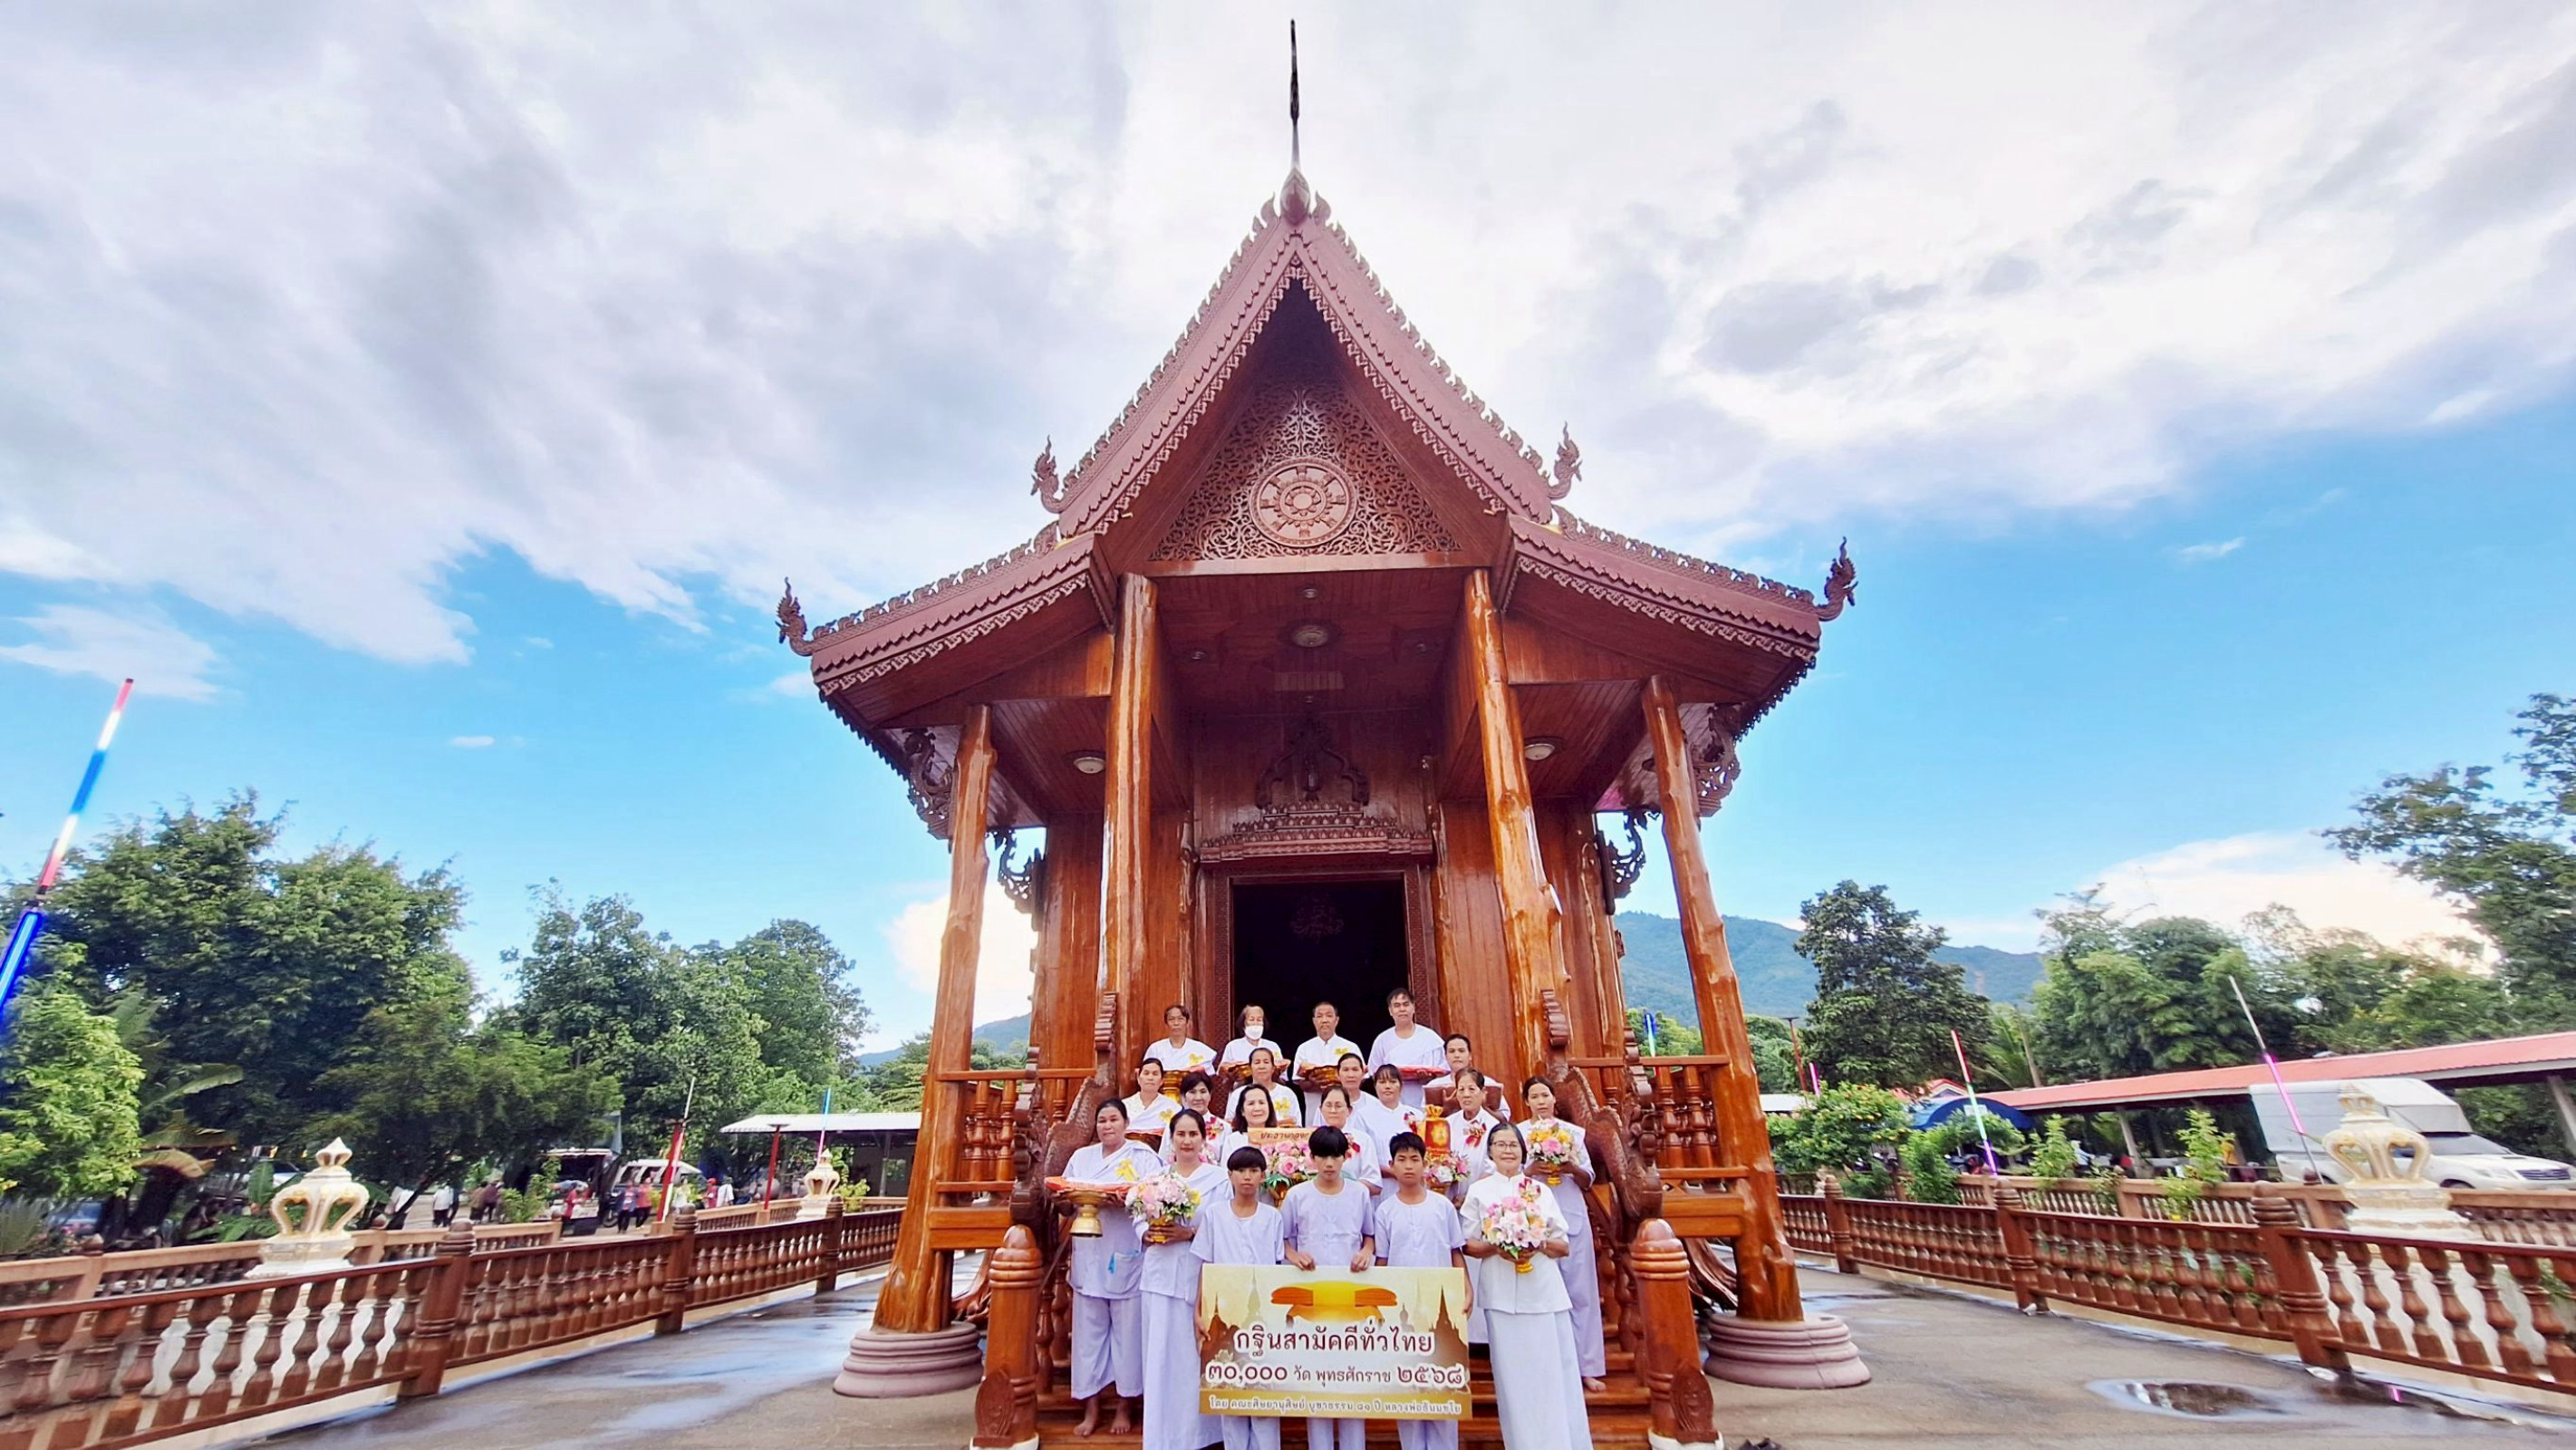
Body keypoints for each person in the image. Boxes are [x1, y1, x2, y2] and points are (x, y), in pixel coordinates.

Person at [1462, 1124, 1593, 1450]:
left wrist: (1537, 1242)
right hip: (1501, 1295)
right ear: (1490, 1151)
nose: (1507, 1150)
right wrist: (1497, 1245)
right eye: (1500, 1144)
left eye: (1513, 1145)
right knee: (1514, 1379)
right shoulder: (1479, 1191)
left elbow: (1563, 1245)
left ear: (1523, 1151)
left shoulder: (1540, 1191)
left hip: (1543, 1293)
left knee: (1552, 1374)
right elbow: (1468, 1244)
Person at [1066, 1099, 1162, 1436]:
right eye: (1102, 1120)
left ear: (1126, 1123)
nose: (1107, 1126)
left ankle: (1125, 1404)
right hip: (1088, 1250)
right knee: (1087, 1337)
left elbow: (1157, 1199)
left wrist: (1126, 1199)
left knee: (1128, 1336)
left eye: (1113, 1120)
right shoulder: (1082, 1157)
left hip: (1125, 1251)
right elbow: (1066, 1195)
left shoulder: (1142, 1157)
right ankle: (1090, 1406)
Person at [1282, 1126, 1375, 1450]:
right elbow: (1283, 1241)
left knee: (1352, 1377)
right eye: (1322, 1157)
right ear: (1312, 1158)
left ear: (1345, 1157)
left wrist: (1365, 1252)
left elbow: (1370, 1236)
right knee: (1316, 1378)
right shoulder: (1297, 1195)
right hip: (1311, 1295)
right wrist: (1294, 1256)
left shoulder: (1359, 1193)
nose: (1329, 1164)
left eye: (1335, 1156)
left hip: (1351, 1293)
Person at [1375, 1132, 1469, 1450]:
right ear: (1391, 1166)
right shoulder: (1385, 1211)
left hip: (1442, 1304)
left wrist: (1466, 1288)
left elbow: (1456, 1252)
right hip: (1402, 1311)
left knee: (1444, 1387)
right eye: (1401, 1160)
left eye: (1414, 1159)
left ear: (1425, 1164)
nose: (1408, 1166)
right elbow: (1382, 1261)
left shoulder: (1442, 1206)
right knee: (1408, 1390)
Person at [1141, 1110, 1228, 1450]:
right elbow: (1138, 1217)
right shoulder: (1155, 1179)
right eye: (1181, 1134)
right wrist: (1149, 1232)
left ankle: (1198, 1435)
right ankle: (1162, 1436)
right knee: (1160, 1355)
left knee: (1193, 1357)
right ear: (1172, 1138)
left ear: (1203, 1139)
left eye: (1193, 1134)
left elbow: (1221, 1224)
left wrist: (1189, 1233)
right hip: (1160, 1275)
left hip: (1197, 1274)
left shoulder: (1218, 1180)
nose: (1187, 1141)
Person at [1195, 1146, 1287, 1450]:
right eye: (1241, 1171)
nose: (1247, 1177)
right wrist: (1199, 1310)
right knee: (1230, 1394)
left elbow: (1278, 1267)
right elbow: (1205, 1265)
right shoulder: (1214, 1214)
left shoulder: (1272, 1217)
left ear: (1263, 1176)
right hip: (1224, 1314)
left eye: (1253, 1171)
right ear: (1230, 1175)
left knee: (1263, 1396)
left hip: (1263, 1316)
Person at [1520, 1078, 1606, 1392]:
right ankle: (1547, 1367)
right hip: (1533, 1216)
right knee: (1538, 1294)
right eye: (1534, 1096)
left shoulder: (1573, 1134)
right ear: (1526, 1101)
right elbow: (1512, 1176)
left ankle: (1587, 1367)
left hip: (1570, 1213)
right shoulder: (1519, 1134)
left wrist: (1570, 1167)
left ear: (1554, 1099)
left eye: (1545, 1095)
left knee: (1580, 1292)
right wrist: (1532, 1169)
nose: (1541, 1101)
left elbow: (1588, 1179)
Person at [1365, 989, 1447, 1109]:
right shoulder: (1382, 1040)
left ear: (1413, 1007)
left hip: (1427, 1104)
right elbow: (1374, 1073)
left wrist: (1430, 1078)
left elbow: (1445, 1072)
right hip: (1393, 1104)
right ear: (1390, 1011)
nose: (1402, 1009)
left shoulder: (1431, 1038)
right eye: (1397, 1005)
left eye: (1406, 1004)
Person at [1291, 1000, 1361, 1125]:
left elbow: (1362, 1079)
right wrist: (1314, 1083)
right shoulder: (1304, 1048)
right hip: (1314, 1110)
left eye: (1329, 1016)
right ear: (1314, 1021)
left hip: (1346, 1111)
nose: (1324, 1020)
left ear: (1336, 1020)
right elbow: (1299, 1082)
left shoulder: (1351, 1047)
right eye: (1319, 1016)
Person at [1353, 1064, 1420, 1184]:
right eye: (1382, 1082)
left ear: (1401, 1085)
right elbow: (1360, 1155)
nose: (1387, 1086)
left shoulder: (1416, 1115)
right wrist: (1392, 1172)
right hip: (1379, 1183)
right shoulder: (1363, 1116)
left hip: (1412, 1182)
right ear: (1375, 1086)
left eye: (1393, 1082)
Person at [1443, 1070, 1507, 1198]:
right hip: (1450, 1197)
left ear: (1483, 1092)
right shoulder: (1447, 1124)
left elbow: (1494, 1167)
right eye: (1461, 1090)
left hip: (1481, 1197)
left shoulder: (1493, 1126)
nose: (1466, 1095)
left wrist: (1469, 1196)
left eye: (1472, 1089)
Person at [1314, 1084, 1382, 1196]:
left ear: (1349, 1110)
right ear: (1321, 1109)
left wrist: (1343, 1188)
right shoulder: (1312, 1139)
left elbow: (1375, 1184)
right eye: (1328, 1105)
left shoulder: (1363, 1140)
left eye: (1338, 1106)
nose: (1333, 1110)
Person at [1425, 1033, 1510, 1118]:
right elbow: (1423, 1121)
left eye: (1461, 1051)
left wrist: (1484, 1107)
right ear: (1446, 1057)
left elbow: (1504, 1118)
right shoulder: (1434, 1085)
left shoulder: (1487, 1083)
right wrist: (1446, 1109)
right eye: (1452, 1051)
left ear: (1470, 1056)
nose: (1457, 1055)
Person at [1224, 1046, 1301, 1127]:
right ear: (1250, 1068)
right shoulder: (1238, 1094)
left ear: (1273, 1068)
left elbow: (1297, 1125)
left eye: (1266, 1062)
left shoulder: (1287, 1093)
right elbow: (1229, 1125)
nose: (1262, 1066)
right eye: (1257, 1062)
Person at [1219, 1077, 1283, 1166]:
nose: (1257, 1108)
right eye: (1251, 1103)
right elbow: (1226, 1171)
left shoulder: (1282, 1138)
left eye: (1261, 1103)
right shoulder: (1233, 1140)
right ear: (1242, 1111)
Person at [1144, 1003, 1219, 1078]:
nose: (1176, 1023)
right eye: (1171, 1019)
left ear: (1187, 1022)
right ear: (1166, 1023)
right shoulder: (1155, 1048)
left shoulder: (1199, 1048)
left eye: (1180, 1019)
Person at [1164, 1071, 1221, 1162]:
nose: (1198, 1098)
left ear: (1210, 1095)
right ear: (1183, 1097)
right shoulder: (1173, 1125)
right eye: (1192, 1092)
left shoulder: (1223, 1127)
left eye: (1203, 1092)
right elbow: (1164, 1161)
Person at [1217, 1002, 1285, 1079]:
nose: (1255, 1023)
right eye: (1251, 1020)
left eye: (1259, 1020)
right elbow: (1223, 1074)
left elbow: (1282, 1077)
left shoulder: (1273, 1046)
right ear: (1243, 1023)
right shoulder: (1232, 1046)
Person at [1123, 1058, 1179, 1146]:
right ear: (1138, 1078)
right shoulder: (1124, 1106)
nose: (1150, 1078)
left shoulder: (1174, 1108)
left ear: (1162, 1080)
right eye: (1146, 1073)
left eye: (1155, 1074)